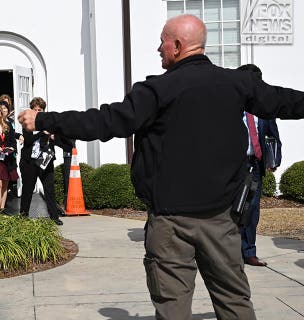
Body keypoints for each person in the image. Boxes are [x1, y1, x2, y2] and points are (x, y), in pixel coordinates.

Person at [18, 14, 304, 320]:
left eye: (162, 42)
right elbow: (284, 101)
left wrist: (44, 120)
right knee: (235, 304)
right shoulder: (237, 83)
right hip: (222, 221)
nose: (158, 49)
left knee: (172, 310)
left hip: (170, 225)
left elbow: (106, 122)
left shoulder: (156, 90)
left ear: (178, 46)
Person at [237, 64, 282, 267]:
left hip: (254, 165)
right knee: (230, 209)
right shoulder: (230, 105)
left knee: (251, 211)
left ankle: (248, 252)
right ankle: (228, 253)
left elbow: (273, 135)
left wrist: (274, 159)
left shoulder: (264, 108)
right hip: (233, 166)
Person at [18, 97, 63, 225]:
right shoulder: (27, 123)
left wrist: (53, 136)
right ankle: (23, 216)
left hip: (45, 159)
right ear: (31, 110)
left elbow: (57, 138)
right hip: (29, 161)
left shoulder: (50, 123)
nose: (38, 111)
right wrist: (42, 133)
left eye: (40, 109)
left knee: (49, 189)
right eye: (35, 109)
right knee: (28, 189)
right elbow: (28, 140)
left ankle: (54, 217)